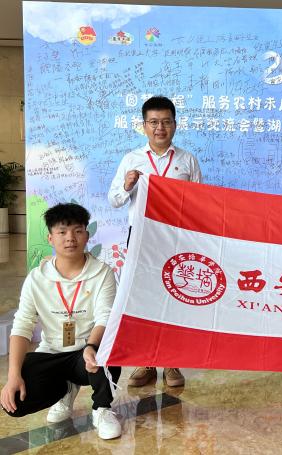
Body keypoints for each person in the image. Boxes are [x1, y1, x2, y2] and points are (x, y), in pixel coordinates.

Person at [0, 203, 122, 440]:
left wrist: (91, 346)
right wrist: (13, 375)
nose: (70, 238)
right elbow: (22, 325)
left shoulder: (102, 273)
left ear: (87, 235)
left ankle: (102, 409)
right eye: (62, 232)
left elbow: (105, 316)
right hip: (51, 352)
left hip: (85, 354)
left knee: (108, 352)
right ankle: (64, 390)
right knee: (14, 401)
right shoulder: (36, 278)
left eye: (77, 231)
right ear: (50, 238)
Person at [108, 95, 201, 388]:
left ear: (175, 124)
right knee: (143, 298)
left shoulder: (187, 160)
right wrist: (127, 186)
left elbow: (200, 203)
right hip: (141, 239)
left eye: (166, 122)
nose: (160, 128)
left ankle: (171, 362)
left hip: (176, 239)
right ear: (144, 125)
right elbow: (114, 200)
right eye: (154, 122)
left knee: (174, 297)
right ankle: (146, 362)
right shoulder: (131, 160)